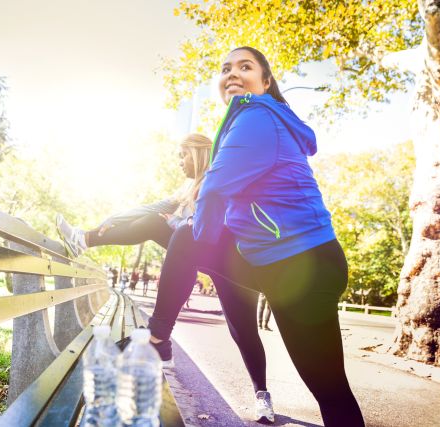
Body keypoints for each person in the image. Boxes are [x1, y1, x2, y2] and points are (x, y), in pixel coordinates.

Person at [146, 47, 364, 426]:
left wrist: (206, 241)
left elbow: (214, 188)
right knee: (185, 239)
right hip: (276, 261)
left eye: (245, 67)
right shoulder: (250, 119)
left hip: (304, 263)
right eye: (225, 68)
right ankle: (156, 339)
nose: (232, 73)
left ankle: (155, 339)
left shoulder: (256, 116)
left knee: (329, 388)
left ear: (265, 82)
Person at [56, 134, 274, 423]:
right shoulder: (189, 188)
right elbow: (152, 209)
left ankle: (262, 394)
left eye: (182, 155)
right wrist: (115, 218)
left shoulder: (220, 177)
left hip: (235, 267)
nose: (179, 161)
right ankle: (84, 240)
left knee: (244, 333)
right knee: (157, 225)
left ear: (197, 154)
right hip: (202, 251)